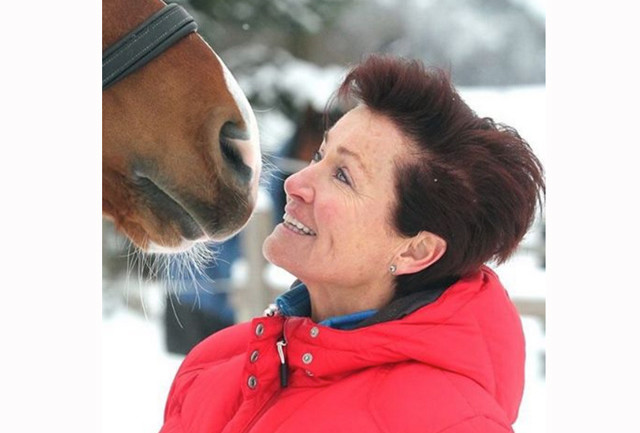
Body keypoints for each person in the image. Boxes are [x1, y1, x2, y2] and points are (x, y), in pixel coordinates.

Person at [159, 54, 545, 433]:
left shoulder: (450, 423)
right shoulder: (216, 361)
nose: (295, 184)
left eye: (343, 176)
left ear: (415, 250)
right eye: (319, 155)